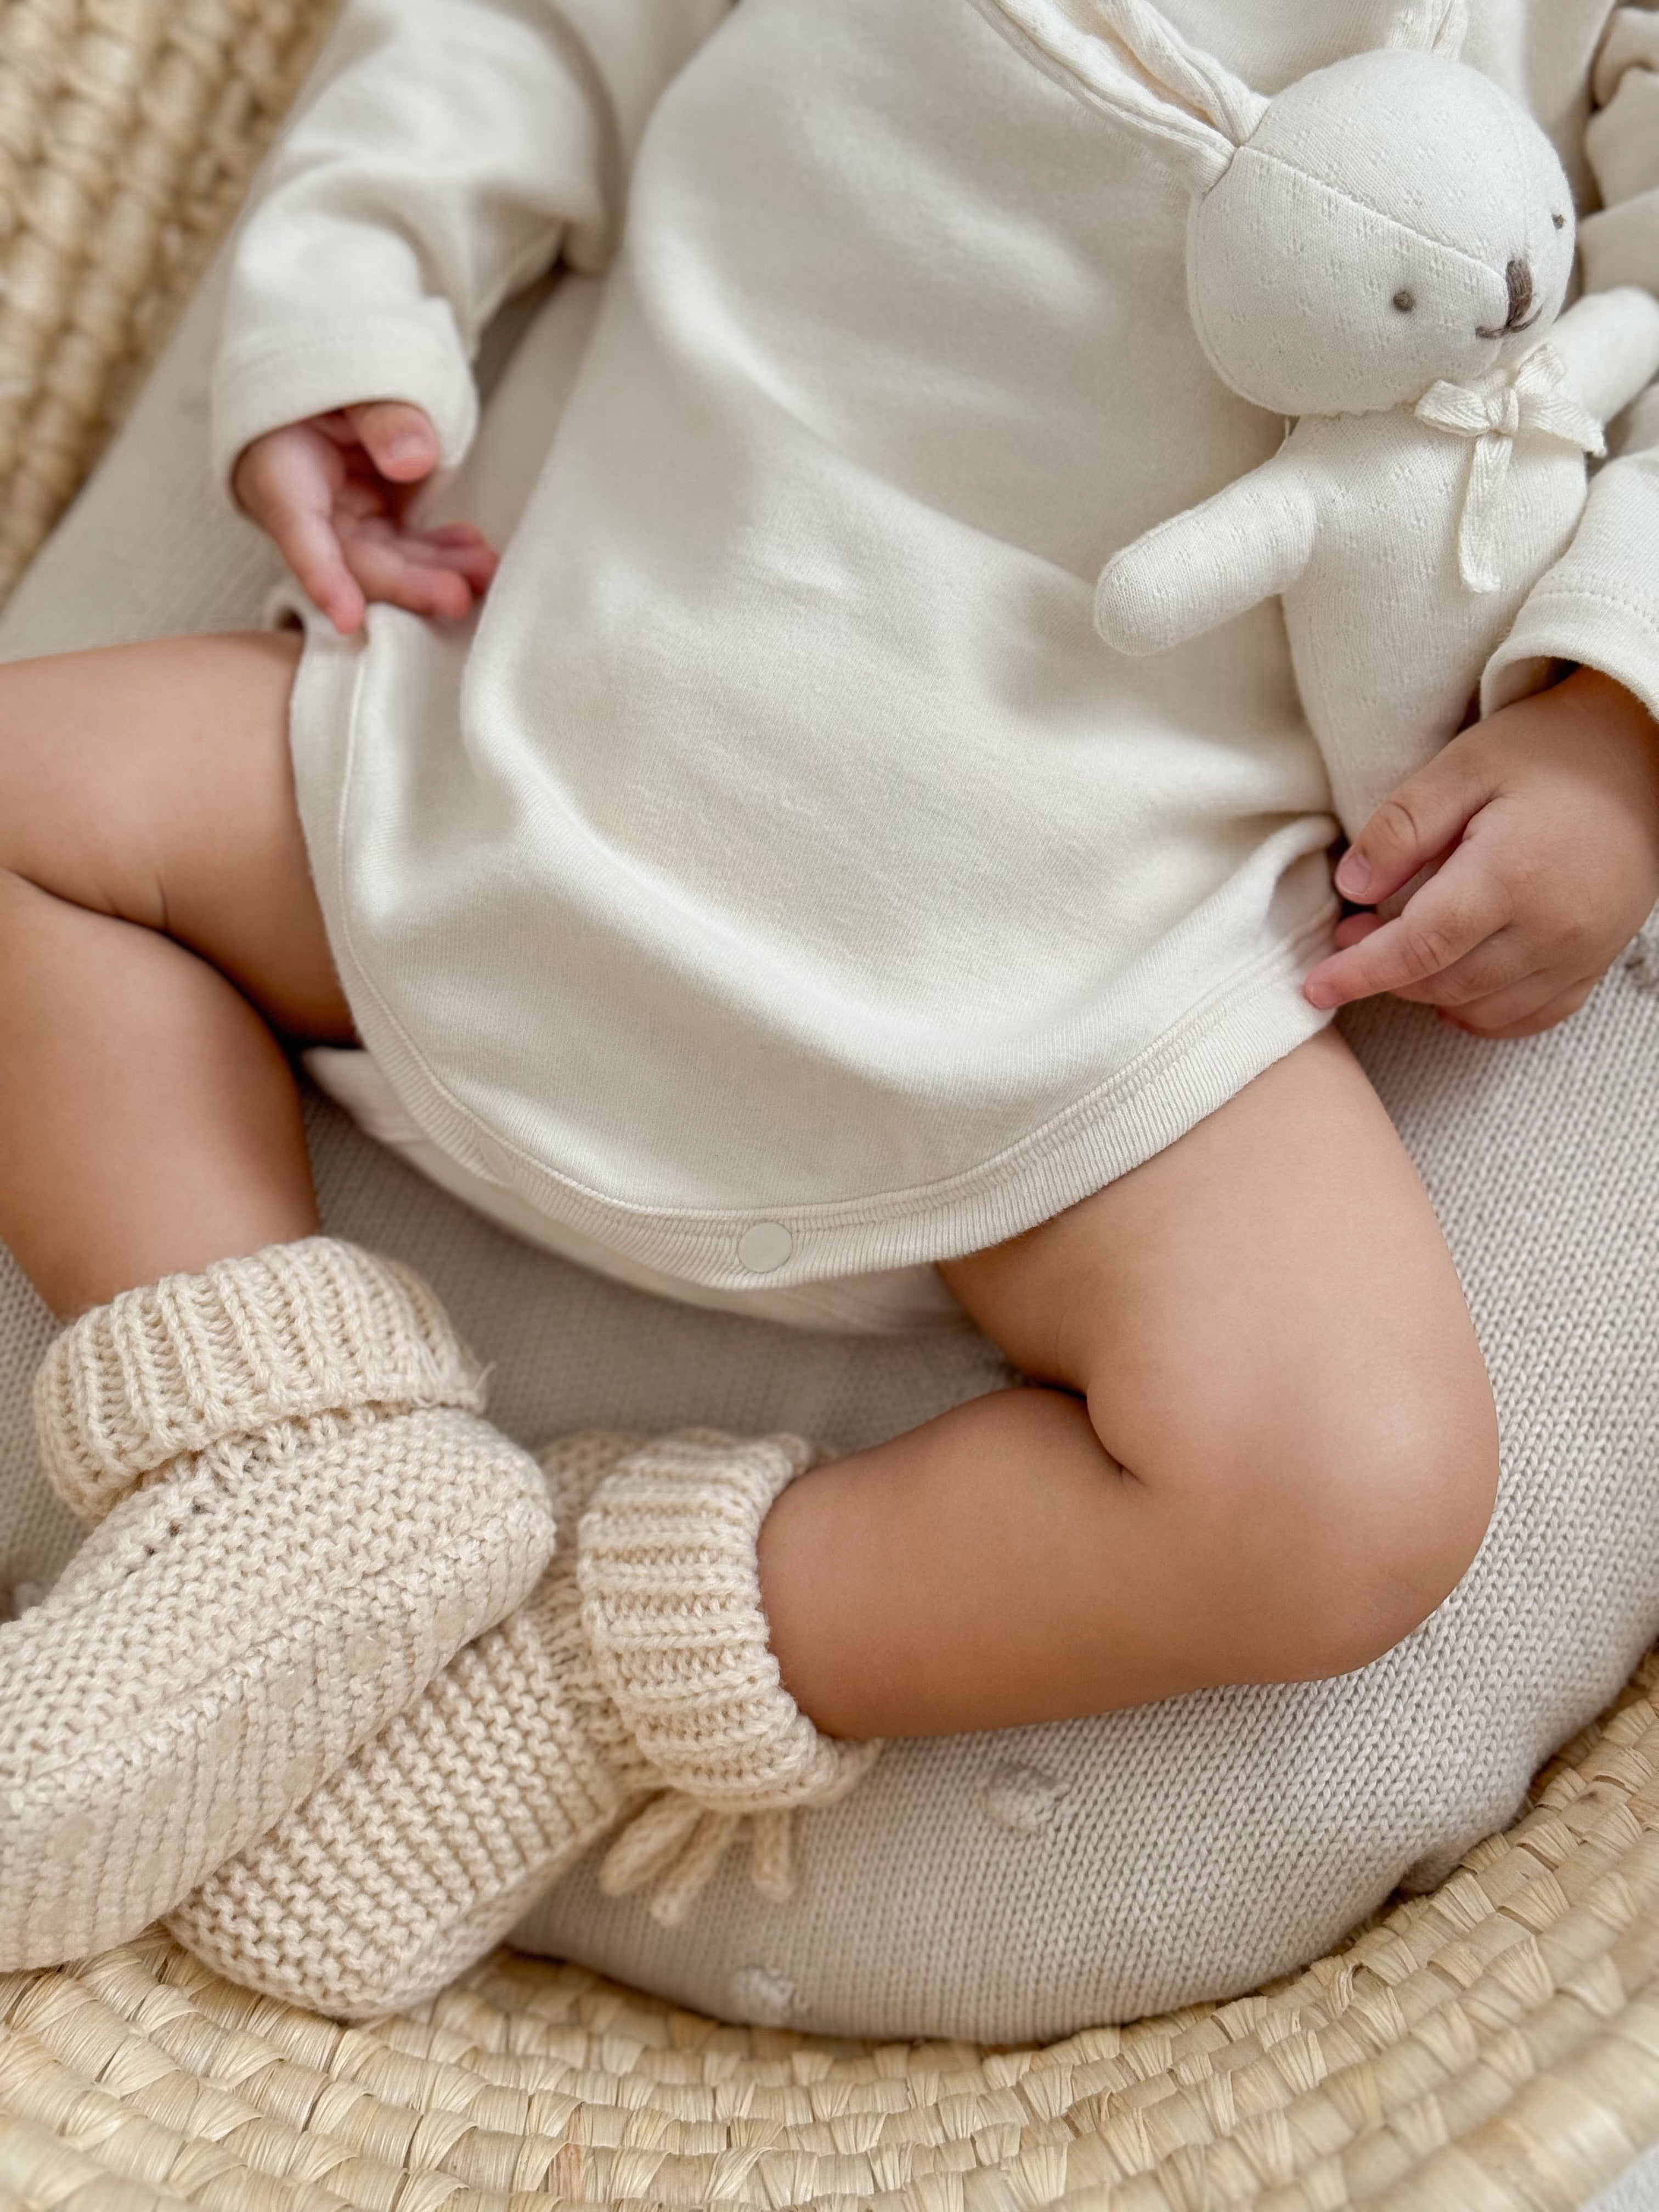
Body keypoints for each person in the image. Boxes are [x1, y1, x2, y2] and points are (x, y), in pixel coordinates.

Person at [1, 0, 1656, 2016]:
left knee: (1350, 1489)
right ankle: (287, 1462)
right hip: (529, 759)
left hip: (1075, 994)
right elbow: (514, 31)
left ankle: (620, 1662)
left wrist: (1610, 729)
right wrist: (348, 307)